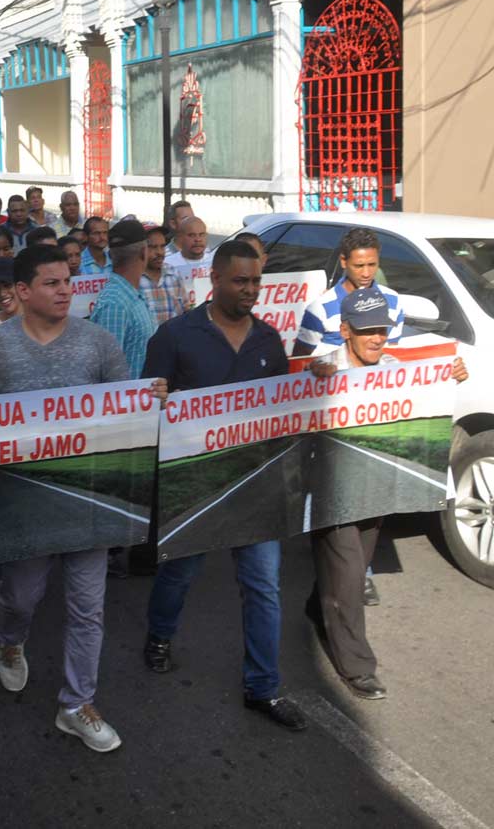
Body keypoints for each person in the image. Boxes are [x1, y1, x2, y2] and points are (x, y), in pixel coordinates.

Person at [0, 245, 161, 755]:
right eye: (51, 283)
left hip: (88, 501)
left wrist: (149, 398)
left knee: (87, 608)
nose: (65, 289)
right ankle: (10, 641)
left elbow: (126, 406)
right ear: (22, 292)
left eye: (67, 280)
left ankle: (77, 704)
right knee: (21, 597)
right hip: (25, 505)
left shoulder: (97, 343)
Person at [141, 240, 307, 732]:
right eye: (241, 281)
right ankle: (160, 635)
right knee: (179, 575)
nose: (251, 291)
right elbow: (147, 407)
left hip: (255, 487)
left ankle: (263, 686)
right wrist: (158, 399)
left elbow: (282, 409)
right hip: (195, 487)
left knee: (263, 587)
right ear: (214, 279)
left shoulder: (269, 340)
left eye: (256, 281)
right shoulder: (175, 336)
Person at [302, 290, 467, 699]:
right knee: (351, 576)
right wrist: (311, 380)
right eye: (366, 331)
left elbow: (425, 395)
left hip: (374, 491)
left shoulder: (394, 368)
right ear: (345, 332)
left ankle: (317, 605)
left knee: (349, 569)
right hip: (333, 494)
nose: (377, 338)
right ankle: (357, 667)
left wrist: (451, 374)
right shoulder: (323, 370)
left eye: (381, 330)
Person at [292, 227, 404, 357]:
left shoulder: (394, 301)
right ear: (344, 262)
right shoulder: (319, 309)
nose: (366, 274)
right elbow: (300, 363)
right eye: (359, 266)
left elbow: (392, 353)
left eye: (372, 265)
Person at [89, 220, 156, 379]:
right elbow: (107, 373)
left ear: (111, 255)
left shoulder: (130, 294)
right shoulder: (115, 304)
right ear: (143, 253)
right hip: (128, 403)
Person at [139, 224, 186, 326]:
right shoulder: (133, 279)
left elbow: (185, 310)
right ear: (140, 248)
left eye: (162, 246)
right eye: (153, 247)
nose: (160, 252)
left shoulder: (174, 274)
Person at [163, 215, 211, 308]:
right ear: (180, 237)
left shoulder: (216, 262)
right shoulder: (167, 264)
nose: (198, 239)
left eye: (201, 234)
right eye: (192, 235)